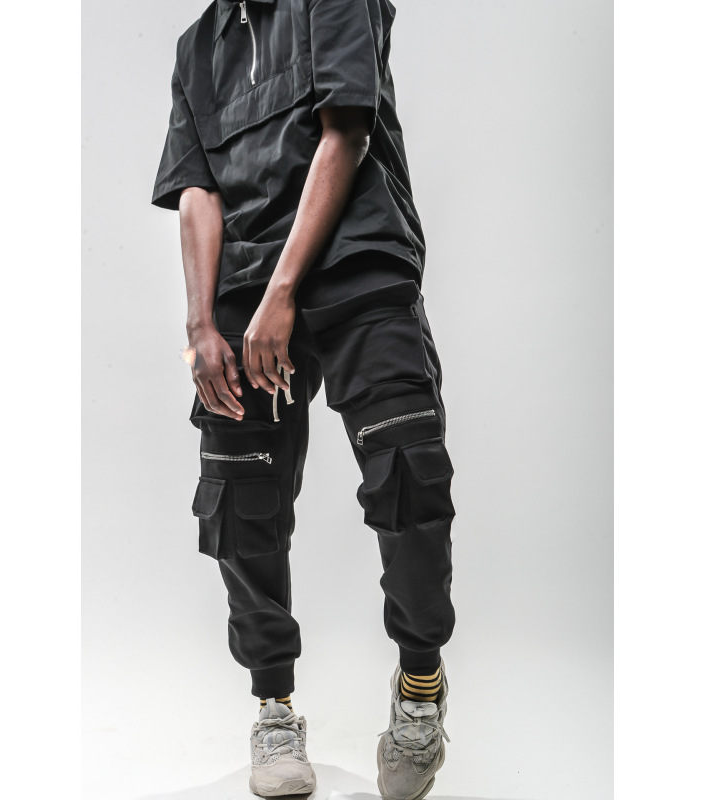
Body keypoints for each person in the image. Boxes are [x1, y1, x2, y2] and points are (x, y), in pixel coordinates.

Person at [151, 1, 456, 797]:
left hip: (356, 260)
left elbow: (345, 131)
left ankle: (419, 687)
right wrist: (200, 325)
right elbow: (197, 189)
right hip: (241, 288)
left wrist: (284, 293)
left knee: (408, 471)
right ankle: (274, 709)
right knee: (238, 501)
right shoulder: (197, 47)